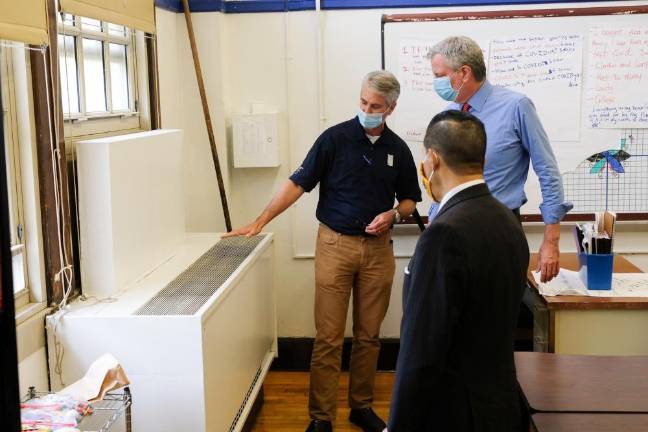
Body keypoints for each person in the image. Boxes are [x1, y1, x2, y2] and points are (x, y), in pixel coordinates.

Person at [224, 71, 421, 432]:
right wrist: (259, 221)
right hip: (335, 245)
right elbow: (297, 184)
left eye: (376, 106)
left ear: (391, 108)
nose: (367, 110)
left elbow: (410, 200)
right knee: (328, 338)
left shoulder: (398, 149)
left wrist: (393, 214)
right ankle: (321, 417)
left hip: (378, 252)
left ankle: (360, 406)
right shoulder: (334, 140)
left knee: (369, 336)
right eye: (363, 102)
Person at [387, 110, 530, 432]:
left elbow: (421, 352)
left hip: (454, 413)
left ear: (433, 159)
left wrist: (398, 425)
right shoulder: (507, 220)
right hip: (501, 407)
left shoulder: (444, 233)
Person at [427, 36, 572, 283]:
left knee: (496, 316)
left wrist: (552, 240)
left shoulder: (516, 106)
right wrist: (433, 219)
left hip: (497, 229)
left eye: (440, 75)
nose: (436, 83)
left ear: (464, 72)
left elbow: (547, 169)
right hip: (448, 228)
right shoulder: (446, 115)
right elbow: (440, 178)